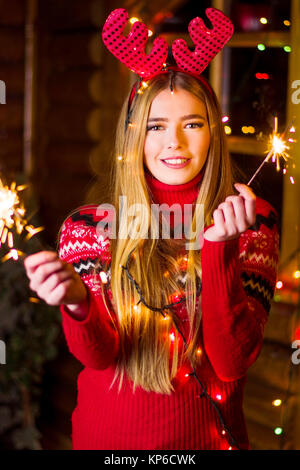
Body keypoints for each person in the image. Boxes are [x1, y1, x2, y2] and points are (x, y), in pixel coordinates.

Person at [24, 9, 280, 450]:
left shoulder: (252, 221)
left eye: (192, 124)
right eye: (156, 126)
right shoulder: (89, 228)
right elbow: (100, 356)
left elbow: (232, 362)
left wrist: (219, 249)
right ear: (134, 137)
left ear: (213, 133)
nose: (174, 144)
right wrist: (78, 302)